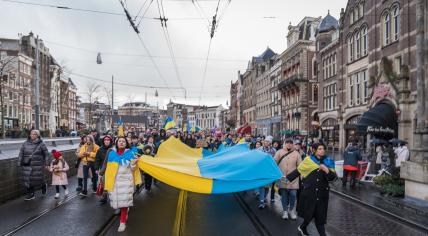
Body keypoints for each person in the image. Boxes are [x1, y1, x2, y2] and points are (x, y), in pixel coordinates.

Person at [286, 143, 337, 236]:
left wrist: (326, 170)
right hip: (310, 193)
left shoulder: (328, 161)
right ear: (314, 150)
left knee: (320, 217)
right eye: (319, 149)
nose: (322, 150)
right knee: (310, 214)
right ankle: (302, 228)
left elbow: (333, 178)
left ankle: (302, 228)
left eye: (323, 149)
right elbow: (298, 170)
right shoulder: (308, 160)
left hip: (322, 194)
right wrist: (286, 178)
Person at [104, 137, 142, 232]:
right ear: (116, 143)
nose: (121, 143)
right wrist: (103, 177)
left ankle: (122, 222)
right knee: (118, 202)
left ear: (126, 143)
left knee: (124, 203)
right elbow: (108, 168)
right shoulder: (111, 153)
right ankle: (123, 213)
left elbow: (133, 169)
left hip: (126, 182)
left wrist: (134, 163)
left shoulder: (130, 153)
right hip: (115, 182)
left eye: (123, 141)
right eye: (119, 141)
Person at [18, 130, 50, 201]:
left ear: (38, 135)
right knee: (28, 179)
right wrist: (19, 163)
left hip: (37, 165)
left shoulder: (41, 144)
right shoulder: (25, 143)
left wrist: (47, 164)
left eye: (34, 134)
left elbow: (46, 154)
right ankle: (31, 194)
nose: (32, 135)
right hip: (27, 164)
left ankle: (43, 185)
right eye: (31, 134)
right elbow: (21, 153)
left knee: (38, 179)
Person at [275, 139, 302, 220]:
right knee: (284, 195)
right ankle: (285, 211)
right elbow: (274, 162)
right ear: (285, 144)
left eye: (291, 143)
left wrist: (302, 177)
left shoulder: (296, 153)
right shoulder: (279, 152)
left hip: (293, 179)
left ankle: (291, 210)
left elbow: (300, 166)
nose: (289, 145)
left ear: (292, 144)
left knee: (293, 195)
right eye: (287, 143)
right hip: (282, 178)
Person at [257, 135, 276, 209]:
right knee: (262, 185)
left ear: (270, 143)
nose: (266, 142)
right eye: (265, 141)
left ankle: (264, 197)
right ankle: (261, 201)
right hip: (261, 170)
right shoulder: (260, 149)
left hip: (269, 171)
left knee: (267, 186)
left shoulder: (273, 150)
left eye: (268, 141)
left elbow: (275, 160)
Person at [95, 136, 113, 204]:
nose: (106, 141)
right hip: (103, 168)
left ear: (110, 141)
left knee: (111, 183)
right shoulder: (100, 150)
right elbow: (97, 160)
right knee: (104, 183)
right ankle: (104, 197)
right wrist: (96, 168)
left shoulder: (113, 149)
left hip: (112, 169)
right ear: (103, 141)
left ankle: (112, 197)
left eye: (108, 140)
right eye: (105, 140)